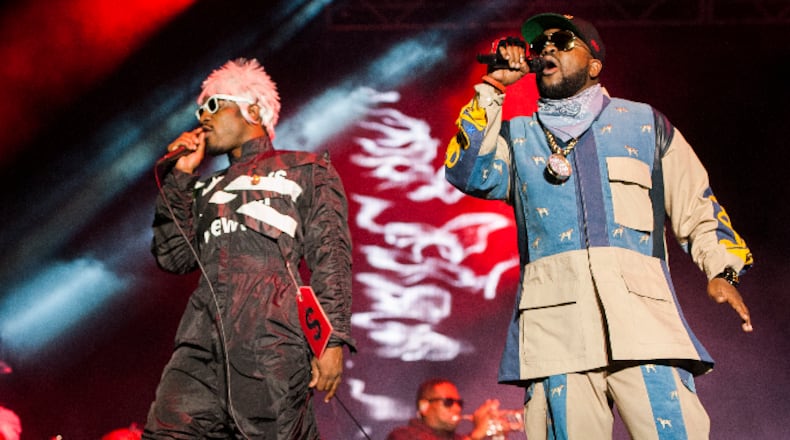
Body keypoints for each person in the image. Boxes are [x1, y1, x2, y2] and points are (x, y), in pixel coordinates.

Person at [444, 12, 753, 439]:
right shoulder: (517, 136)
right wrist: (493, 87)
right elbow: (465, 171)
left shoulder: (644, 125)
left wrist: (725, 271)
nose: (546, 47)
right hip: (557, 338)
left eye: (562, 41)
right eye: (541, 44)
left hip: (646, 330)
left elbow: (699, 208)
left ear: (594, 63)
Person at [143, 58, 355, 439]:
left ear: (252, 110)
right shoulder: (203, 188)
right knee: (167, 432)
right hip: (201, 340)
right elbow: (173, 257)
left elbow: (331, 258)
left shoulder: (304, 169)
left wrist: (333, 339)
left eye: (213, 105)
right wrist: (180, 177)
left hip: (271, 340)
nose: (202, 117)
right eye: (198, 109)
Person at [386, 378, 512, 440]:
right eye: (448, 402)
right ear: (424, 406)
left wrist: (499, 436)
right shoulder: (402, 436)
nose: (457, 408)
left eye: (459, 403)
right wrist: (476, 435)